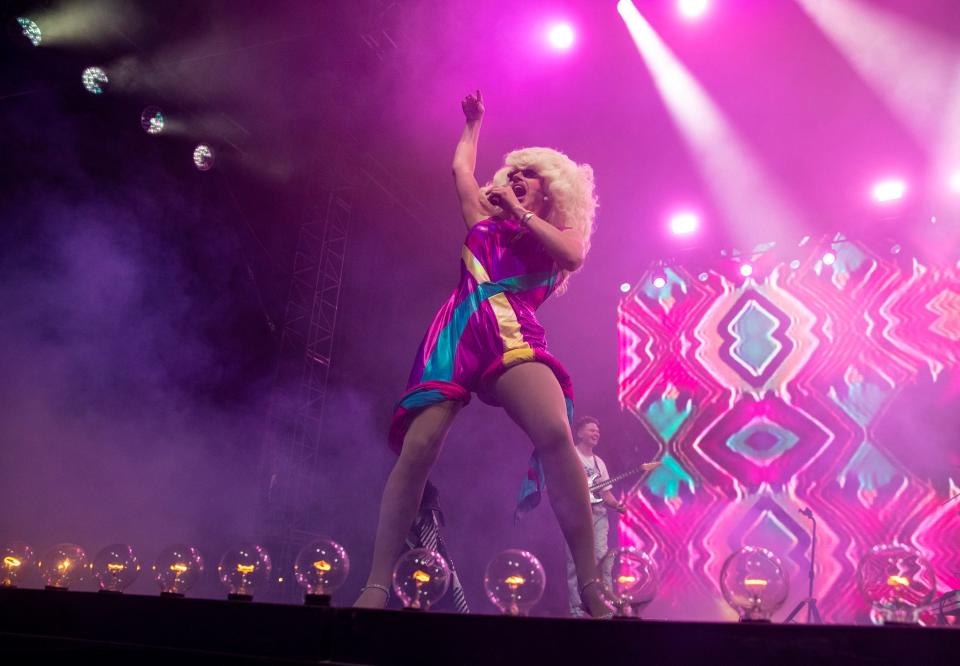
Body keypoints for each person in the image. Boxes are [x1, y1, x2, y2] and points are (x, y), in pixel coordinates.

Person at [354, 89, 607, 616]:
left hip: (510, 327)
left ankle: (590, 585)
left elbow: (574, 257)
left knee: (556, 434)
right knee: (418, 451)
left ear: (550, 189)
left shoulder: (554, 233)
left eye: (528, 175)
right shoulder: (483, 224)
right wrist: (474, 124)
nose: (513, 179)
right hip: (458, 329)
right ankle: (376, 587)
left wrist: (518, 211)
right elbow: (460, 171)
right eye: (511, 173)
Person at [565, 416, 626, 617]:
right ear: (579, 432)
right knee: (576, 561)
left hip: (599, 516)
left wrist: (618, 505)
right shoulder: (569, 455)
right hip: (576, 517)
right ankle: (577, 607)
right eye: (591, 430)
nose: (596, 433)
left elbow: (605, 493)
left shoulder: (599, 463)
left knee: (602, 559)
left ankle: (605, 604)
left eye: (597, 431)